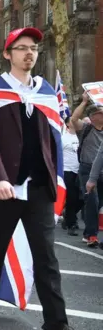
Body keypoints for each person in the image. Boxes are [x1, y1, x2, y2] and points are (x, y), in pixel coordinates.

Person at [0, 27, 69, 329]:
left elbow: (53, 140)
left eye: (34, 49)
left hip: (38, 187)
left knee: (47, 256)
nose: (29, 54)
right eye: (22, 48)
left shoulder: (45, 93)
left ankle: (56, 321)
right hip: (4, 187)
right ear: (7, 54)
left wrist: (55, 179)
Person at [70, 94, 103, 247]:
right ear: (92, 116)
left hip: (101, 171)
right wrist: (84, 101)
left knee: (98, 203)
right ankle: (91, 235)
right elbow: (74, 119)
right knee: (92, 201)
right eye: (100, 112)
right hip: (87, 170)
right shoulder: (86, 128)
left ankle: (89, 231)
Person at [61, 117, 82, 237]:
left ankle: (68, 214)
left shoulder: (81, 135)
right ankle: (71, 224)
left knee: (82, 199)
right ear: (68, 124)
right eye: (74, 120)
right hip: (67, 170)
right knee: (72, 197)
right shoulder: (63, 138)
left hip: (81, 170)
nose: (77, 121)